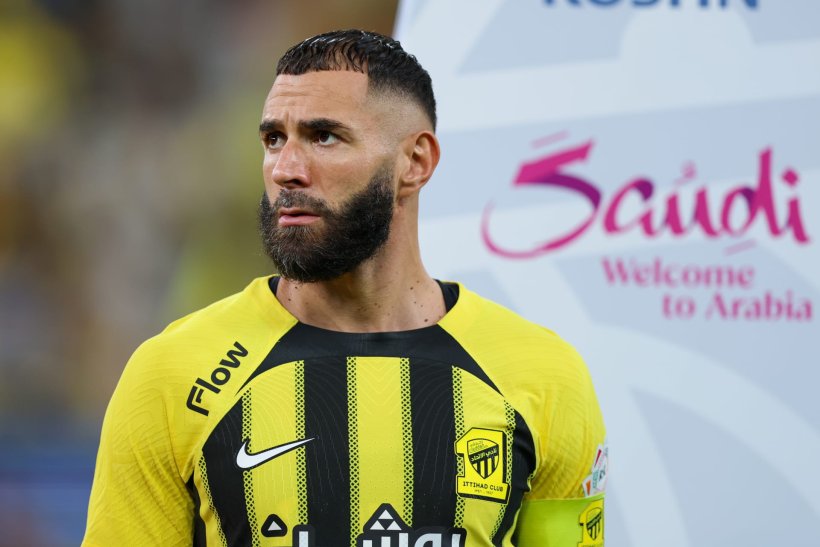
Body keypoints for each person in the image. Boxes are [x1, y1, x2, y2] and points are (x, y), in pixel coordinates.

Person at [83, 29, 607, 547]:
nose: (285, 170)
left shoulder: (544, 376)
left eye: (324, 137)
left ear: (415, 162)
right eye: (274, 139)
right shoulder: (172, 374)